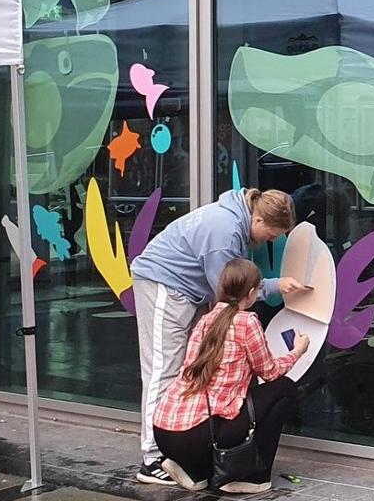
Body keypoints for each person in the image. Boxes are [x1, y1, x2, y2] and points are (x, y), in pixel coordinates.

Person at [130, 187, 306, 485]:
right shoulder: (224, 233)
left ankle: (178, 451)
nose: (272, 240)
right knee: (162, 369)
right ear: (259, 219)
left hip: (186, 291)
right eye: (273, 233)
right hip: (164, 287)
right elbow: (230, 290)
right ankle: (151, 459)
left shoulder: (233, 219)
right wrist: (275, 286)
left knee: (180, 369)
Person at [153, 258, 308, 493]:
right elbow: (270, 372)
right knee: (283, 388)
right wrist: (297, 351)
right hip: (199, 432)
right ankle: (252, 476)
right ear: (253, 292)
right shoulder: (247, 322)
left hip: (164, 431)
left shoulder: (205, 320)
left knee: (227, 405)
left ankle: (194, 472)